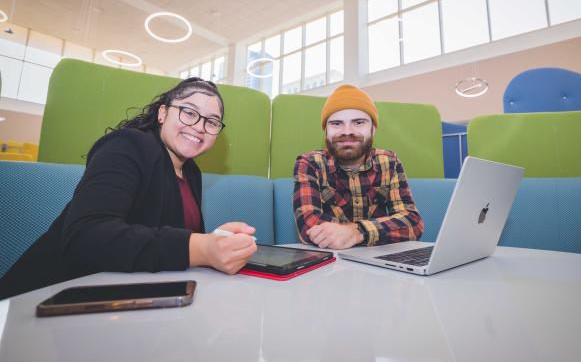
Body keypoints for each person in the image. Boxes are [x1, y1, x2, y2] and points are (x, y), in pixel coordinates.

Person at [0, 78, 257, 299]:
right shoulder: (127, 145)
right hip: (44, 299)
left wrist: (215, 241)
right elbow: (86, 236)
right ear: (162, 113)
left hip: (129, 302)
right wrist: (201, 248)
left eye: (212, 122)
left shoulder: (191, 172)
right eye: (189, 112)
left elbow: (167, 241)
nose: (200, 126)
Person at [293, 84, 424, 250]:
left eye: (359, 122)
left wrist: (358, 232)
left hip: (380, 262)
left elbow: (413, 223)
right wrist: (378, 230)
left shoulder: (390, 162)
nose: (347, 131)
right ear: (326, 131)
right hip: (330, 263)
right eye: (336, 124)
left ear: (373, 129)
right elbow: (308, 226)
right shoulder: (309, 163)